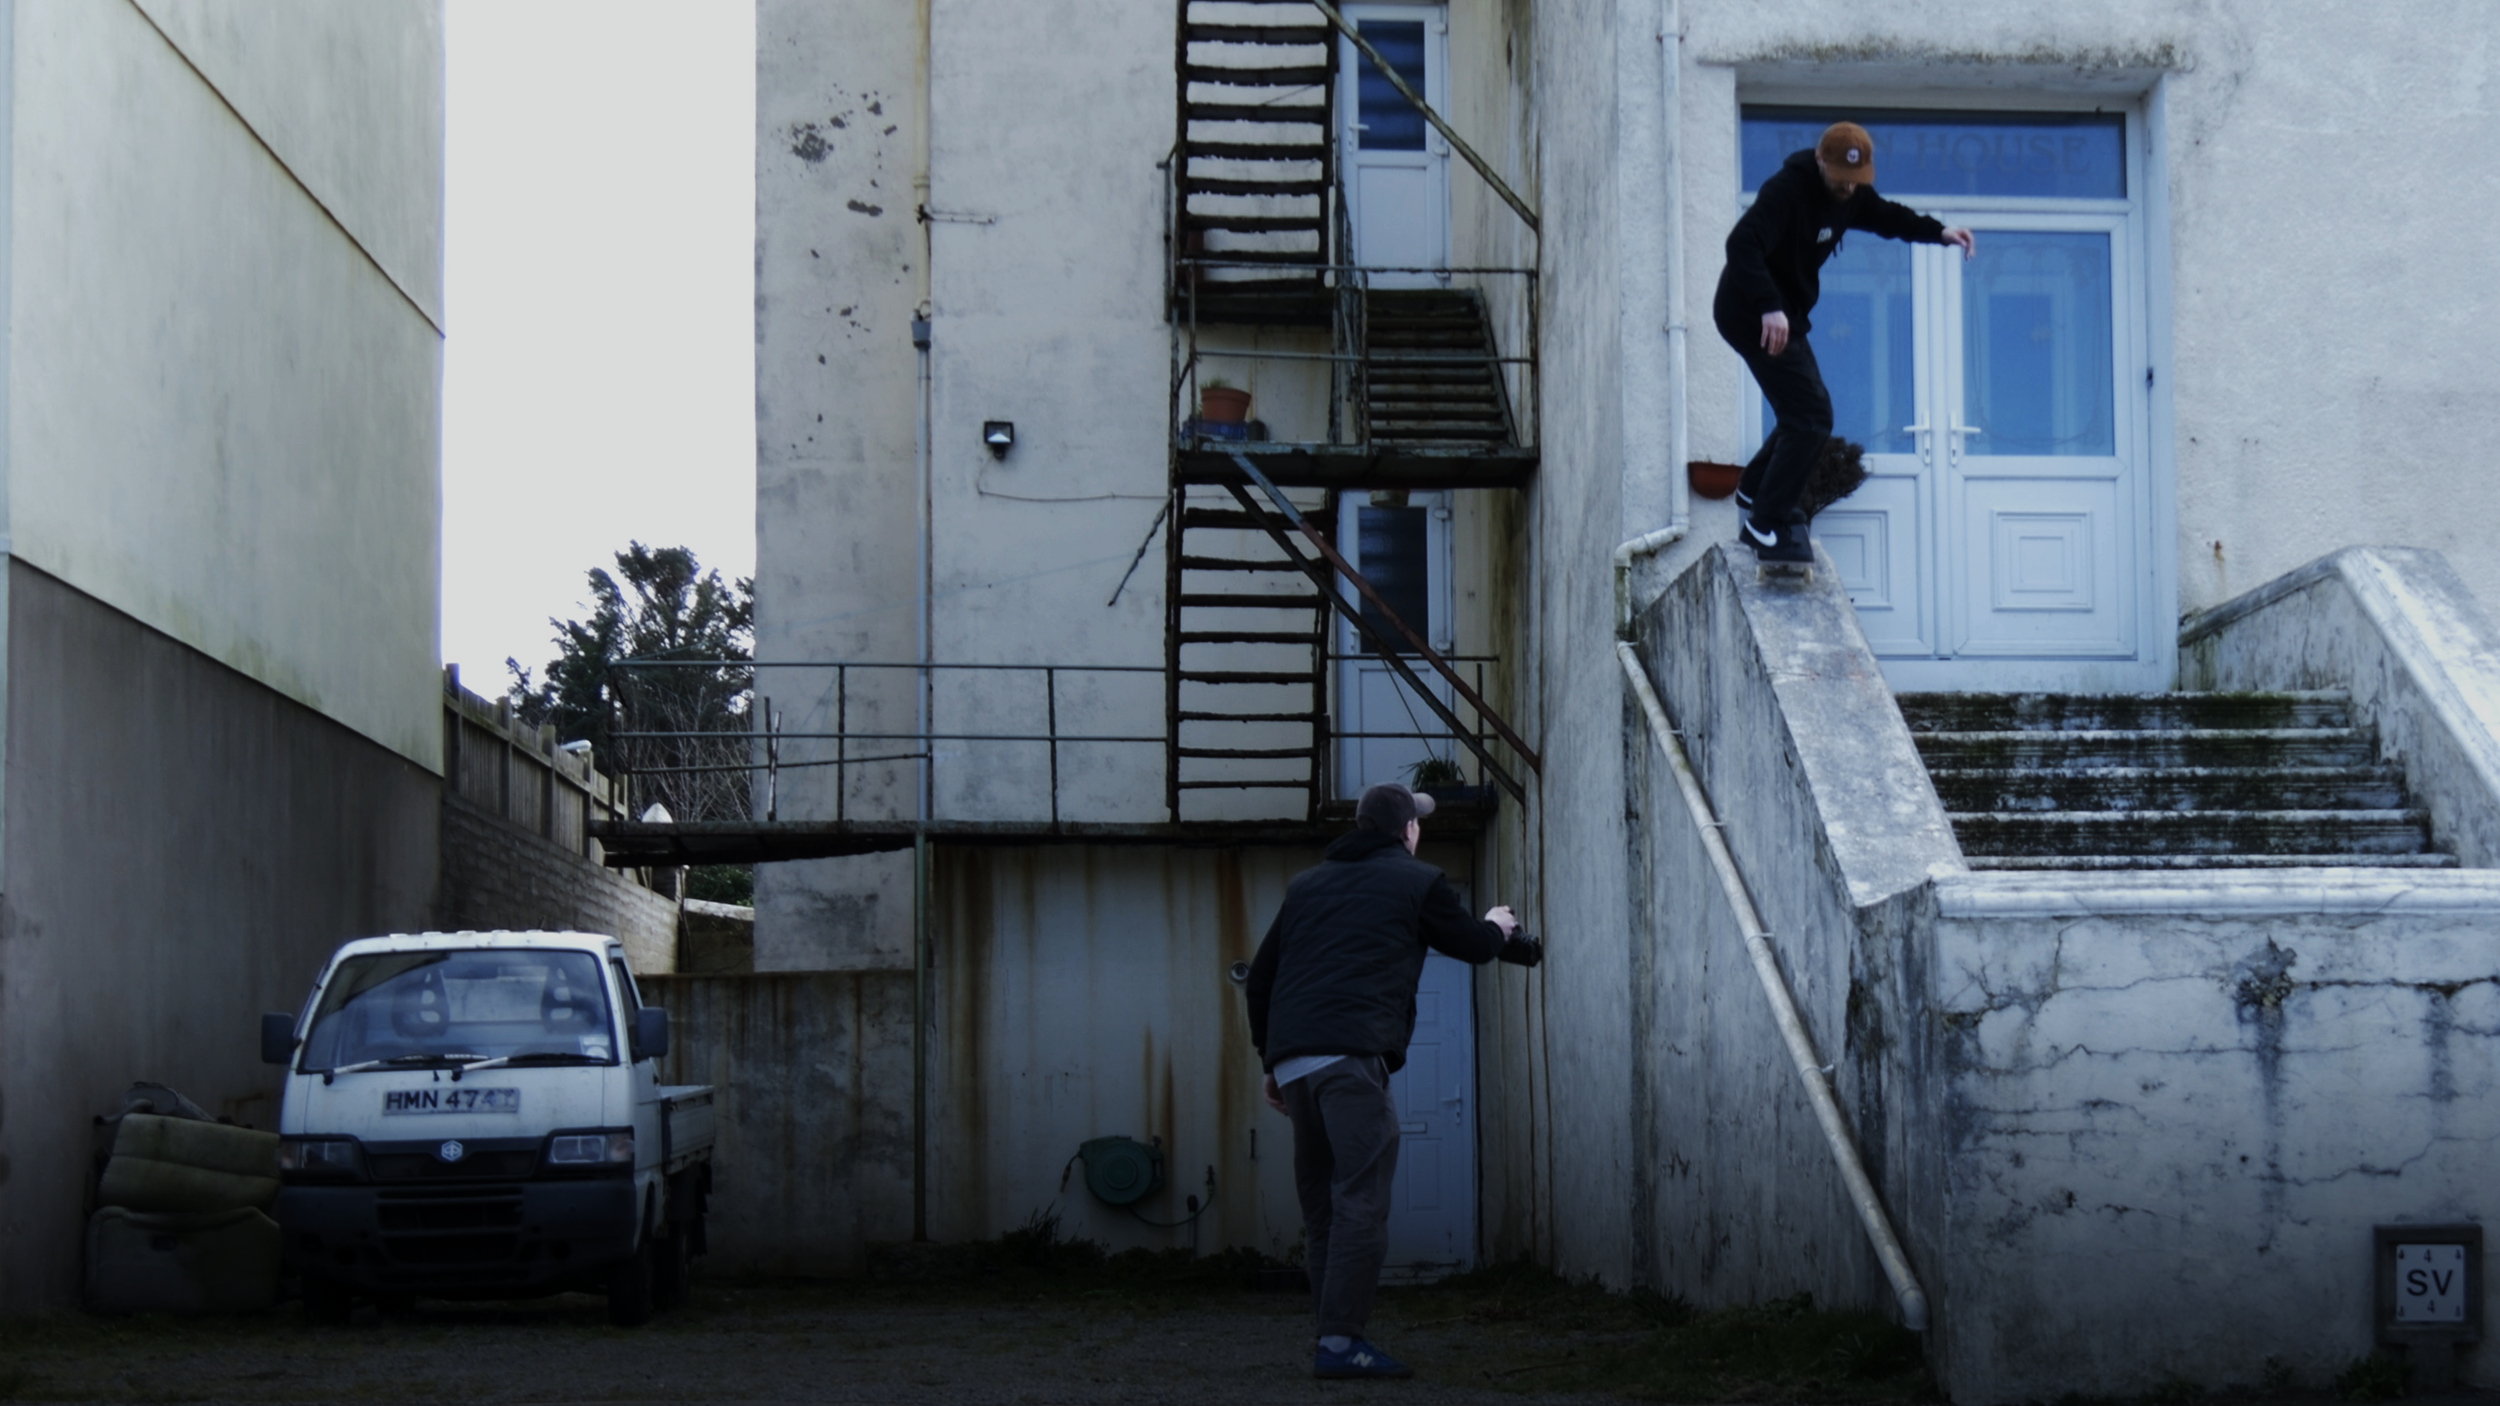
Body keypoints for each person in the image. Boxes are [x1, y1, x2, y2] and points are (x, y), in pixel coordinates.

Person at [1243, 781, 1543, 1380]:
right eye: (1418, 824)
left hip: (1297, 1062)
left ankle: (1332, 1337)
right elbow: (1474, 945)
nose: (1419, 832)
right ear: (1407, 830)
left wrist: (1270, 1063)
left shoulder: (1307, 886)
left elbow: (1260, 980)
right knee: (1361, 1200)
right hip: (1351, 1062)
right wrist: (1497, 922)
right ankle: (1339, 1344)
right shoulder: (1418, 879)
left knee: (1326, 1206)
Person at [1717, 121, 1976, 564]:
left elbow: (1889, 217)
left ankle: (1755, 490)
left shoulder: (1853, 195)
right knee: (1813, 415)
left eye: (1856, 181)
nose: (1848, 189)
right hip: (1749, 313)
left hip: (1786, 315)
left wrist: (1939, 232)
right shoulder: (1787, 190)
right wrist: (1767, 305)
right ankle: (1764, 524)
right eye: (1840, 179)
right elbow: (1741, 242)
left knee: (1803, 410)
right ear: (1820, 161)